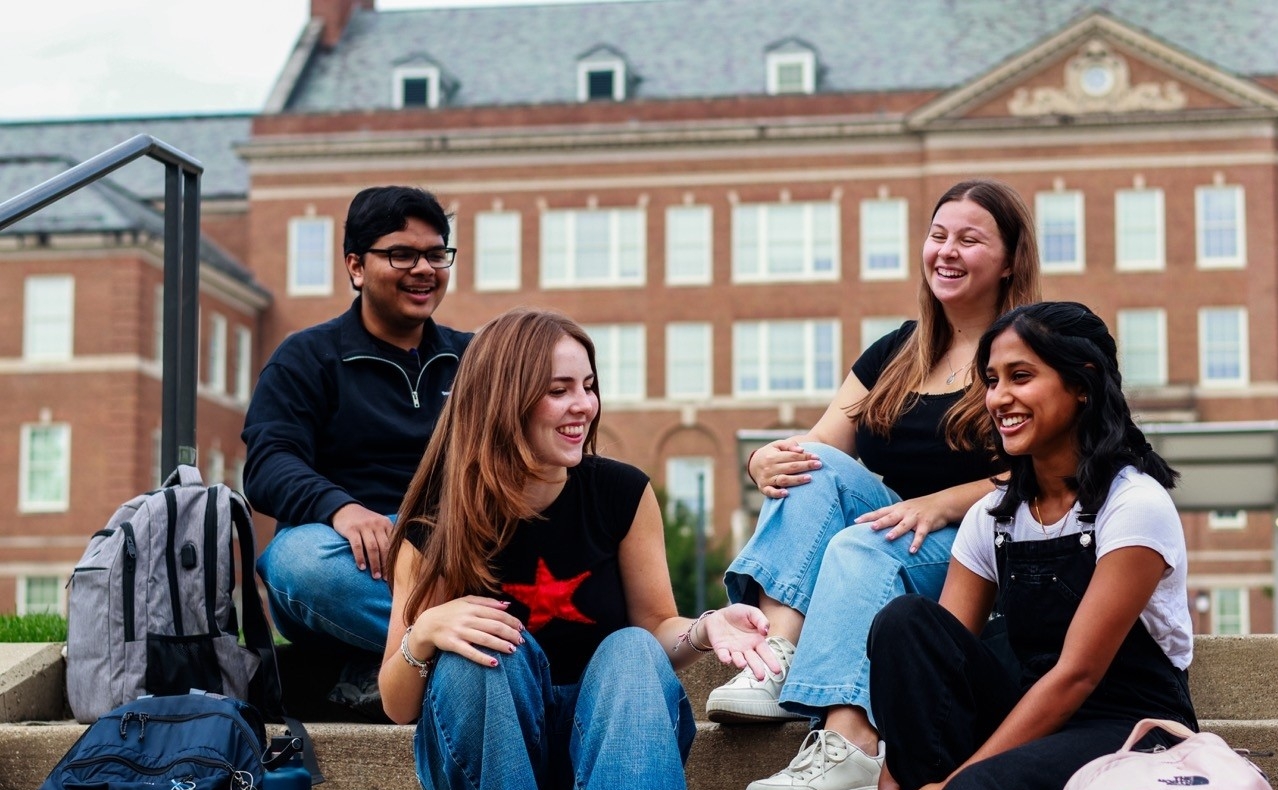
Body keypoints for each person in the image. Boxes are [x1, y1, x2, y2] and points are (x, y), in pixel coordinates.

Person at [711, 179, 1042, 790]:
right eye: (938, 235)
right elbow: (817, 447)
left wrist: (941, 504)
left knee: (860, 544)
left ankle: (851, 742)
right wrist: (762, 460)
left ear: (1010, 260)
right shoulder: (897, 351)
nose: (946, 251)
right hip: (899, 533)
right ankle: (776, 654)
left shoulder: (1029, 346)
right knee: (811, 468)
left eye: (969, 240)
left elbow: (1049, 467)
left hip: (983, 549)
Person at [379, 308, 781, 790]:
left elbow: (653, 627)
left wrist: (704, 628)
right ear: (504, 401)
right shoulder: (437, 519)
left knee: (632, 649)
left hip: (606, 736)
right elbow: (397, 705)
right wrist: (424, 632)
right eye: (559, 390)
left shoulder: (621, 493)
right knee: (479, 653)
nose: (584, 405)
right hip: (492, 745)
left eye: (588, 386)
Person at [866, 301, 1197, 790]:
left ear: (1081, 384)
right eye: (992, 381)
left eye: (1020, 376)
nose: (999, 398)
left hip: (1130, 725)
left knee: (974, 787)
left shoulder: (1133, 505)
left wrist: (959, 781)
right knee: (907, 622)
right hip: (1028, 711)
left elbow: (1077, 675)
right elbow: (940, 665)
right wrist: (893, 777)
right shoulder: (993, 515)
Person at [242, 186, 472, 685]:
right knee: (298, 564)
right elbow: (267, 463)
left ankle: (415, 664)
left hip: (450, 551)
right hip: (349, 559)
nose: (424, 269)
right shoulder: (306, 357)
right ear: (356, 267)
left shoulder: (476, 359)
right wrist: (341, 509)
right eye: (401, 254)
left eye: (436, 254)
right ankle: (474, 646)